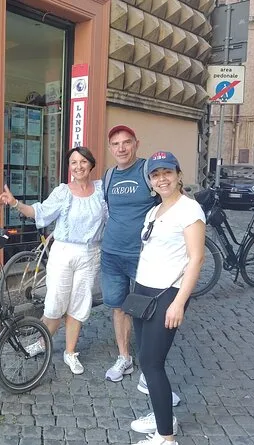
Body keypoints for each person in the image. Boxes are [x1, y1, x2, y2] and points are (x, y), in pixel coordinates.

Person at [0, 147, 106, 375]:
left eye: (83, 161)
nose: (78, 166)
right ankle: (42, 341)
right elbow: (40, 212)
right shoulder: (63, 192)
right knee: (56, 302)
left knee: (80, 302)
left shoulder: (101, 190)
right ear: (69, 167)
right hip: (64, 251)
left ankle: (70, 352)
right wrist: (15, 203)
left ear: (91, 164)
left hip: (91, 253)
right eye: (73, 162)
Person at [128, 151, 205, 445]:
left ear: (178, 175)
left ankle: (166, 437)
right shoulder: (155, 210)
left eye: (167, 173)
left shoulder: (190, 210)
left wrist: (178, 303)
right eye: (156, 174)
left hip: (168, 293)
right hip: (144, 291)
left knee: (152, 363)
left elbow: (196, 259)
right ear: (150, 180)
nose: (162, 179)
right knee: (145, 358)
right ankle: (163, 415)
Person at [101, 125, 157, 383]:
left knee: (147, 308)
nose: (121, 148)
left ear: (136, 144)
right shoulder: (109, 176)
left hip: (143, 255)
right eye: (115, 144)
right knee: (119, 307)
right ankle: (124, 357)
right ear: (110, 148)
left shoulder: (148, 170)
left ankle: (150, 366)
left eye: (126, 142)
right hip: (112, 254)